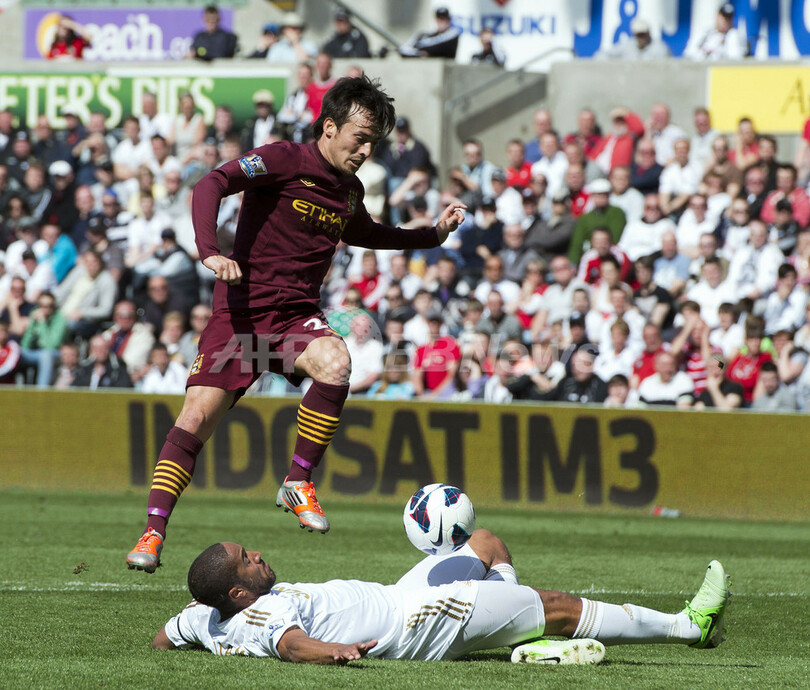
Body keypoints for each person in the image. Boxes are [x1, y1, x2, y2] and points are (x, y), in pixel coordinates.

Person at [125, 76, 466, 571]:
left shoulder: (348, 191)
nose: (367, 150)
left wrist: (432, 236)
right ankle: (153, 534)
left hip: (293, 317)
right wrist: (210, 253)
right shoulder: (284, 159)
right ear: (329, 127)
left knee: (336, 361)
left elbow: (370, 232)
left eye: (374, 142)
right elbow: (211, 183)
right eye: (360, 138)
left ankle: (298, 480)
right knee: (195, 421)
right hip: (239, 318)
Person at [153, 532, 730, 663]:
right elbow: (292, 644)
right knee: (553, 603)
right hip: (416, 622)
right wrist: (338, 652)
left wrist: (192, 637)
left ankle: (513, 629)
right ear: (239, 590)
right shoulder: (264, 613)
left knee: (482, 542)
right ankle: (688, 625)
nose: (257, 555)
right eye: (247, 560)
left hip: (395, 596)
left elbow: (164, 636)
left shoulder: (207, 617)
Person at [597, 18, 671, 60]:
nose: (641, 38)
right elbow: (606, 55)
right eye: (638, 35)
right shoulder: (627, 46)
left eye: (643, 34)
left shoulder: (660, 48)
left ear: (648, 33)